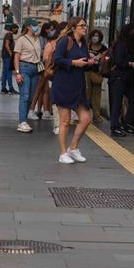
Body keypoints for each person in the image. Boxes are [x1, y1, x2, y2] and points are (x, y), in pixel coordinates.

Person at [51, 16, 95, 164]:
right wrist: (74, 62)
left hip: (78, 87)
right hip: (63, 85)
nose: (85, 28)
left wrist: (90, 63)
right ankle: (62, 153)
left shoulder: (83, 44)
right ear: (74, 27)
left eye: (85, 25)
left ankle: (73, 148)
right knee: (65, 121)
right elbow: (57, 60)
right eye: (82, 25)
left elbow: (84, 63)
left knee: (86, 118)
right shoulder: (65, 41)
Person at [108, 24, 134, 137]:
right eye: (132, 32)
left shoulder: (130, 45)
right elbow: (118, 61)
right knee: (117, 104)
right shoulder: (120, 45)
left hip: (128, 79)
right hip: (119, 79)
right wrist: (131, 64)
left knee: (133, 101)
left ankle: (125, 123)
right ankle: (115, 127)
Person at [14, 18, 42, 133]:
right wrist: (17, 73)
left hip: (35, 69)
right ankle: (22, 122)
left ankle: (24, 120)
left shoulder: (37, 39)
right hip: (24, 68)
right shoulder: (21, 40)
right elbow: (16, 56)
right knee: (24, 96)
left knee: (31, 97)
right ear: (29, 27)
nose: (37, 27)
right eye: (35, 25)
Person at [30, 21, 58, 120]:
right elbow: (40, 51)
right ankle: (38, 110)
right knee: (42, 85)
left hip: (44, 64)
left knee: (43, 87)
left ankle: (41, 110)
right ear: (45, 29)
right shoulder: (42, 39)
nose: (51, 31)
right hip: (41, 64)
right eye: (50, 29)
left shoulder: (48, 39)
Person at [85, 29, 107, 123]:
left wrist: (102, 57)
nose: (95, 37)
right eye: (94, 35)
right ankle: (84, 115)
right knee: (86, 94)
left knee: (96, 96)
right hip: (86, 72)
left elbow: (107, 59)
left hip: (97, 73)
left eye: (97, 35)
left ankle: (96, 116)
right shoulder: (87, 46)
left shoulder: (104, 49)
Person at [1, 24, 19, 95]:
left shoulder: (8, 34)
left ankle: (3, 88)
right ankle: (10, 88)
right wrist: (11, 54)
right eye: (16, 29)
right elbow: (6, 45)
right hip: (7, 56)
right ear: (13, 29)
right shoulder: (9, 35)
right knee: (9, 72)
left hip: (5, 56)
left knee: (5, 72)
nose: (17, 30)